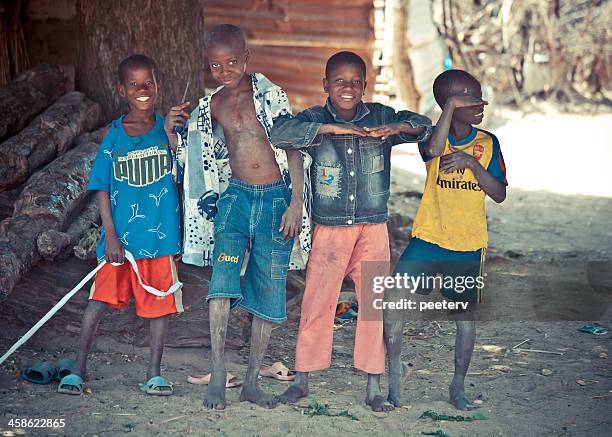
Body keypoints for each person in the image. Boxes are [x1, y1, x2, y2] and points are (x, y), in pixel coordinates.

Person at [270, 51, 432, 412]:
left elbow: (425, 125)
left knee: (372, 307)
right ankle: (302, 379)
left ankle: (373, 386)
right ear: (325, 85)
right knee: (317, 303)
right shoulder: (313, 118)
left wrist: (397, 129)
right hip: (330, 229)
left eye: (356, 81)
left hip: (373, 227)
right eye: (339, 81)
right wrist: (330, 129)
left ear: (365, 85)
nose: (348, 87)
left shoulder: (379, 116)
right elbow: (280, 134)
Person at [164, 24, 311, 410]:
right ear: (208, 67)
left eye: (232, 62)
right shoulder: (210, 106)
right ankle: (217, 373)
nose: (225, 71)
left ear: (246, 58)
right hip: (236, 200)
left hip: (276, 201)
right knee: (223, 285)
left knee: (267, 288)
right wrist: (172, 129)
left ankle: (251, 382)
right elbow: (192, 153)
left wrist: (296, 202)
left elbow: (293, 148)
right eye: (216, 65)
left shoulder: (270, 94)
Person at [58, 54, 183, 396]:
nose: (142, 90)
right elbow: (100, 187)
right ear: (122, 90)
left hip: (159, 239)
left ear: (157, 86)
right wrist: (110, 235)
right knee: (98, 301)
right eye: (134, 84)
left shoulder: (166, 130)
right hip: (121, 242)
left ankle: (154, 374)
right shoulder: (115, 137)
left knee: (159, 306)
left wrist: (172, 133)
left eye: (149, 83)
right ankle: (78, 368)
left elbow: (183, 166)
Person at [384, 69, 507, 410]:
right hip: (428, 237)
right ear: (450, 103)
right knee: (393, 302)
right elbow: (434, 149)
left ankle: (458, 387)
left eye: (480, 96)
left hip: (466, 243)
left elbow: (498, 194)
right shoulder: (432, 135)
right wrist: (450, 108)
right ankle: (395, 381)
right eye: (471, 99)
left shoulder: (488, 143)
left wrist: (471, 164)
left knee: (464, 319)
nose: (481, 104)